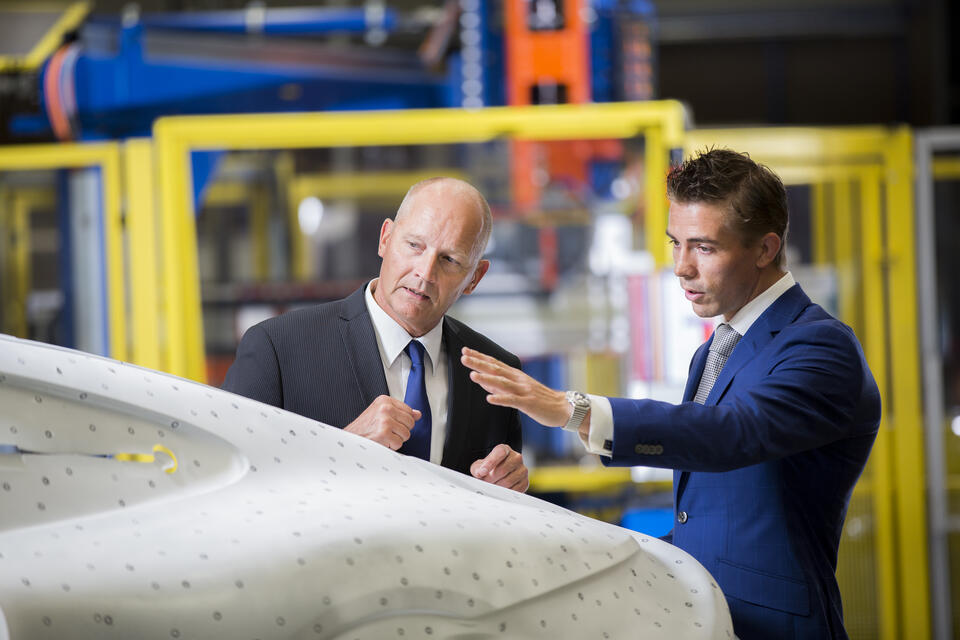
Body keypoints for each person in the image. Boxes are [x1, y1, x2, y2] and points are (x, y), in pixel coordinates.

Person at [460, 149, 880, 639]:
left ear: (765, 249)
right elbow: (706, 518)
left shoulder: (819, 346)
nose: (681, 268)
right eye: (675, 244)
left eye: (703, 248)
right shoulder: (715, 352)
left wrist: (571, 409)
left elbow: (734, 434)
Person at [224, 177, 528, 492]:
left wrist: (510, 488)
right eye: (414, 245)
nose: (425, 273)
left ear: (474, 278)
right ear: (385, 238)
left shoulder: (497, 375)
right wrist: (344, 447)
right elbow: (228, 480)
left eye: (449, 260)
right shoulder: (279, 349)